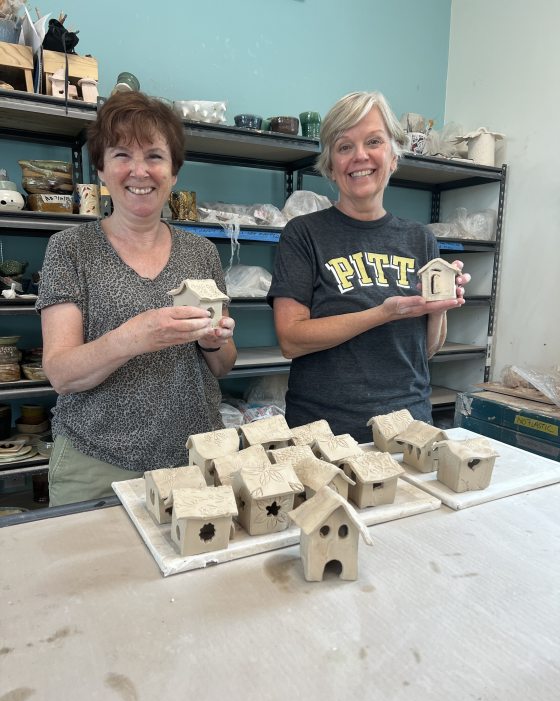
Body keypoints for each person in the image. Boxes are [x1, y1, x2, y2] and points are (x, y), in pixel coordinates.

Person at [37, 92, 236, 506]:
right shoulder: (70, 249)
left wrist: (213, 341)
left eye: (155, 156)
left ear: (174, 172)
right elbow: (61, 374)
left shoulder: (202, 253)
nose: (139, 171)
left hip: (195, 458)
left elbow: (222, 366)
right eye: (122, 154)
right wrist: (137, 334)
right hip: (98, 464)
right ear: (102, 169)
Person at [267, 91, 470, 444]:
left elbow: (427, 350)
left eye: (374, 141)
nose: (360, 156)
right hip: (324, 432)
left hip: (409, 427)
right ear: (330, 165)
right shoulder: (304, 234)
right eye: (344, 146)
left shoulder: (420, 239)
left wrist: (439, 310)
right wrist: (382, 313)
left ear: (393, 156)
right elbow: (291, 340)